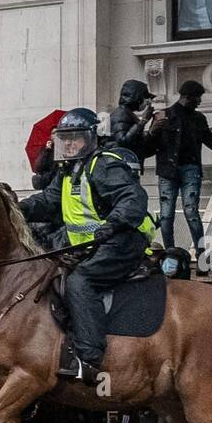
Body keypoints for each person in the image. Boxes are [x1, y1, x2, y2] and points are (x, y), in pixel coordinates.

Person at [18, 107, 156, 383]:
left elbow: (133, 199)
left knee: (80, 282)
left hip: (122, 240)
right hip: (90, 243)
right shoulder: (69, 171)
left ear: (93, 138)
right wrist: (15, 207)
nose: (69, 144)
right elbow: (48, 201)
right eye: (64, 138)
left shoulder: (103, 164)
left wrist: (112, 225)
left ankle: (89, 357)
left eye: (76, 138)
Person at [150, 80, 212, 257]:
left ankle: (182, 252)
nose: (199, 102)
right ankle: (184, 252)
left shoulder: (178, 116)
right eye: (197, 98)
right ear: (187, 97)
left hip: (172, 169)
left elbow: (210, 140)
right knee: (176, 213)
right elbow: (211, 141)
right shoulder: (165, 116)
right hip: (180, 169)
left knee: (179, 212)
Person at [108, 79, 159, 167]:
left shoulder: (127, 114)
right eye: (145, 99)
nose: (146, 103)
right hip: (121, 166)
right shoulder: (121, 113)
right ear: (137, 98)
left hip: (127, 165)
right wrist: (143, 121)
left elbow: (138, 143)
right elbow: (123, 141)